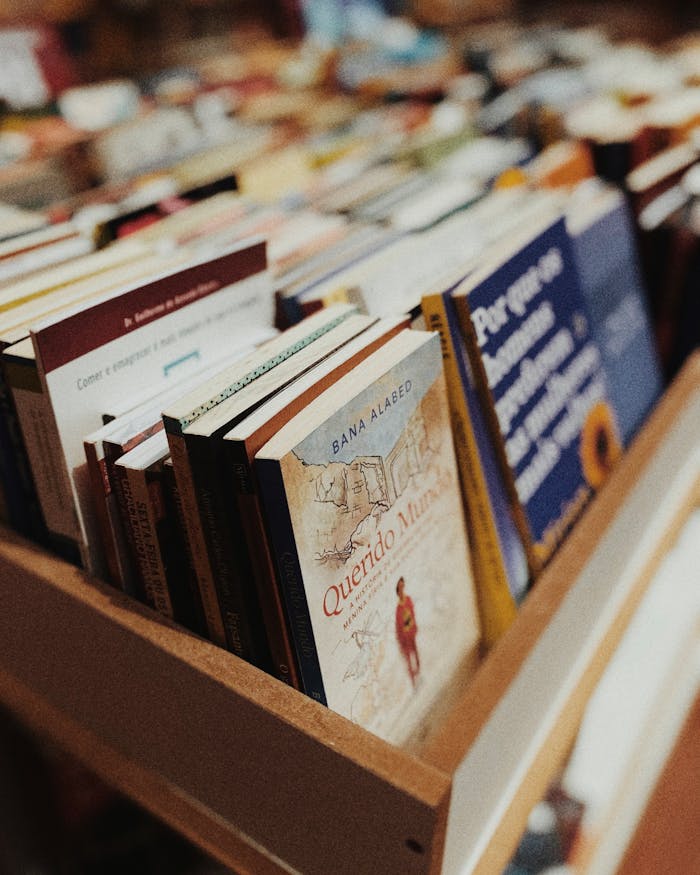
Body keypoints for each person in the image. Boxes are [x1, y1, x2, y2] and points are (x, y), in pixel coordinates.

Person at [395, 576, 420, 686]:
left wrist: (414, 626)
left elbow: (412, 614)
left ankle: (419, 673)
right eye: (400, 587)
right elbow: (399, 625)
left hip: (411, 631)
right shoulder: (398, 608)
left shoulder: (408, 599)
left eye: (403, 586)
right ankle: (413, 681)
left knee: (415, 652)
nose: (402, 588)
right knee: (409, 657)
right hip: (405, 636)